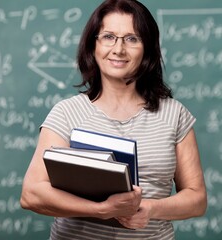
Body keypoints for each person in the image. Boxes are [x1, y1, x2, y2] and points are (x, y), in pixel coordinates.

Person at [20, 0, 207, 239]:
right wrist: (101, 210)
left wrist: (150, 209)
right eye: (108, 37)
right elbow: (31, 194)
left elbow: (197, 199)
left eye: (132, 39)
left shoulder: (175, 114)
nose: (118, 49)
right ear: (93, 45)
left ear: (147, 49)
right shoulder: (66, 113)